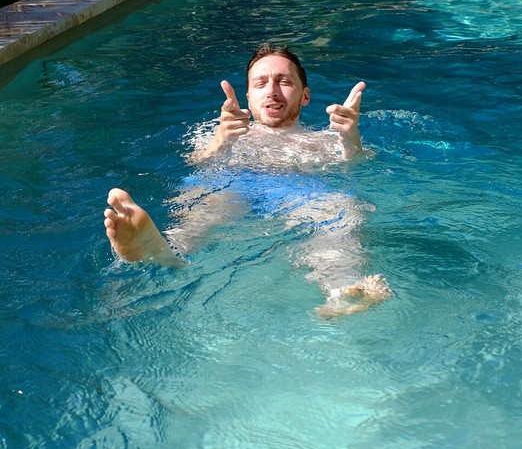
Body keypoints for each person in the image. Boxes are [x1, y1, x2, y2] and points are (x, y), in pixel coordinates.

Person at [104, 43, 391, 317]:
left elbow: (356, 170)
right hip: (235, 184)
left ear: (305, 96)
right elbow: (198, 163)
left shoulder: (326, 141)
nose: (272, 91)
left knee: (340, 209)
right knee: (207, 202)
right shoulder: (217, 132)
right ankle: (163, 251)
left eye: (284, 82)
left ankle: (344, 288)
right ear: (249, 97)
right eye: (260, 83)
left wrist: (350, 139)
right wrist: (221, 141)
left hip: (299, 192)